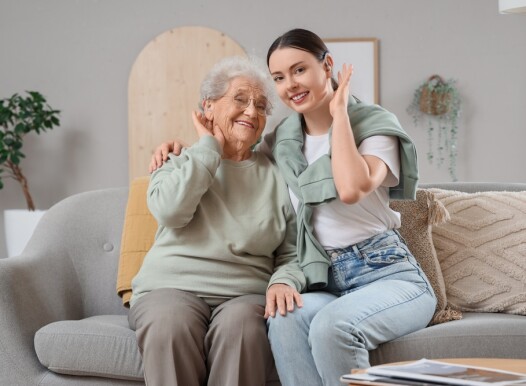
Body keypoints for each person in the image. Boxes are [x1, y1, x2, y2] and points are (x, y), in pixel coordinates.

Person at [150, 29, 437, 386]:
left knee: (333, 329)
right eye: (279, 78)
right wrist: (181, 147)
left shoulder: (375, 127)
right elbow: (237, 152)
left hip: (384, 271)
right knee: (283, 320)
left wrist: (341, 115)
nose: (291, 85)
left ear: (327, 65)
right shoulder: (281, 141)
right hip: (321, 277)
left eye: (299, 70)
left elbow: (351, 188)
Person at [129, 55, 305, 386]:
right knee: (168, 324)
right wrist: (208, 150)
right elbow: (170, 211)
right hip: (169, 288)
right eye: (240, 99)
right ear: (208, 107)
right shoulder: (175, 159)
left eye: (262, 106)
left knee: (243, 329)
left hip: (244, 295)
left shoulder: (278, 176)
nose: (252, 112)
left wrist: (285, 280)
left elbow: (292, 252)